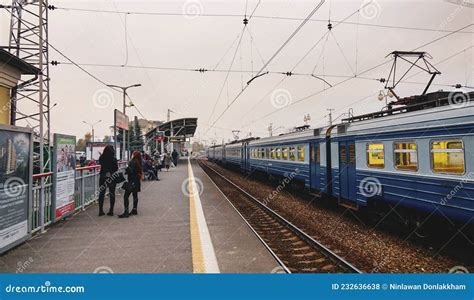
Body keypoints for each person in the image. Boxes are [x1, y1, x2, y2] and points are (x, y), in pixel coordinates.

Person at [119, 151, 143, 218]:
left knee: (126, 196)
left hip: (131, 181)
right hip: (137, 181)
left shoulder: (133, 162)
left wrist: (127, 168)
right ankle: (134, 209)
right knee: (135, 195)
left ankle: (126, 212)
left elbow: (131, 171)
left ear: (134, 155)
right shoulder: (139, 162)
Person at [98, 145, 118, 216]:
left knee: (101, 193)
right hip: (112, 177)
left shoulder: (102, 158)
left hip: (103, 177)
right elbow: (116, 168)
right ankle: (111, 210)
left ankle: (100, 210)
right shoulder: (114, 159)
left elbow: (100, 163)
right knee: (112, 193)